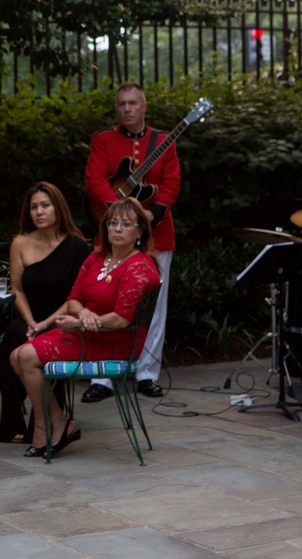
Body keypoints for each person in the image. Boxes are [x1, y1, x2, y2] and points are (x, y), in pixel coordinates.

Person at [9, 198, 161, 458]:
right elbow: (73, 299)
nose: (117, 228)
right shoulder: (97, 257)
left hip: (115, 341)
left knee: (25, 356)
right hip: (85, 334)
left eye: (126, 224)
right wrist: (85, 314)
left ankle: (45, 426)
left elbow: (123, 319)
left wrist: (84, 321)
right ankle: (57, 421)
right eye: (112, 223)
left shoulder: (140, 266)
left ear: (140, 232)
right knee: (15, 355)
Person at [83, 82, 179, 400]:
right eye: (122, 104)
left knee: (154, 308)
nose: (127, 109)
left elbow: (171, 183)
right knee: (104, 301)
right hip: (112, 232)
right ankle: (103, 378)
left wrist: (151, 216)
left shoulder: (164, 141)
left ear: (144, 107)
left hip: (156, 232)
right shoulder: (103, 140)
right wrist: (119, 214)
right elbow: (94, 179)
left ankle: (147, 374)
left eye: (133, 103)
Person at [0, 181, 90, 443]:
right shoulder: (20, 243)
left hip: (63, 318)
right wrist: (30, 321)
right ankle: (13, 421)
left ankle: (42, 424)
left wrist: (45, 323)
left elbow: (76, 295)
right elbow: (17, 288)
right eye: (34, 207)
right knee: (14, 337)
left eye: (45, 206)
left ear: (58, 208)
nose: (39, 212)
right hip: (29, 316)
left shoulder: (77, 246)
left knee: (44, 340)